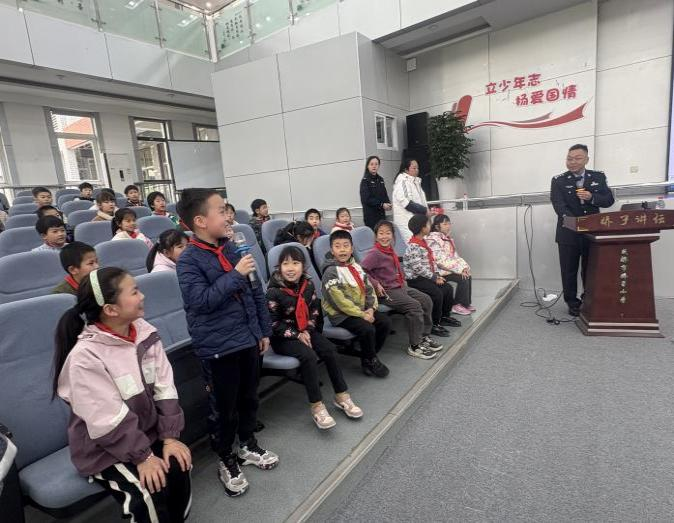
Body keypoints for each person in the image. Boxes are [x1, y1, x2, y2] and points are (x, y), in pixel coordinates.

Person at [53, 267, 192, 522]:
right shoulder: (86, 357)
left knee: (178, 465)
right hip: (104, 447)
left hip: (144, 432)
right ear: (111, 309)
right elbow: (107, 421)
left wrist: (170, 437)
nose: (142, 296)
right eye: (134, 292)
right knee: (148, 491)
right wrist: (143, 456)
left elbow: (165, 387)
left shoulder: (144, 333)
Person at [177, 188, 278, 498]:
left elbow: (255, 292)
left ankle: (247, 445)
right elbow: (201, 301)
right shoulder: (188, 259)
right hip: (219, 347)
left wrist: (263, 331)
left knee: (249, 399)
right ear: (200, 221)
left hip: (248, 338)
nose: (228, 216)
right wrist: (235, 274)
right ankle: (225, 457)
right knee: (224, 409)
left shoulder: (233, 247)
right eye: (221, 211)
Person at [266, 245, 362, 429]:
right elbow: (274, 324)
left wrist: (307, 330)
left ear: (303, 266)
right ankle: (317, 406)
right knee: (308, 356)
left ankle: (341, 395)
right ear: (279, 267)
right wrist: (297, 334)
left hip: (306, 330)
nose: (290, 268)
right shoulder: (273, 292)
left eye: (295, 263)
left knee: (330, 350)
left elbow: (314, 311)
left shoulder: (308, 285)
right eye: (286, 264)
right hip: (283, 337)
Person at [361, 220, 446, 360]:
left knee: (426, 300)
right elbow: (361, 271)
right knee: (415, 306)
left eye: (388, 233)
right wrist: (375, 284)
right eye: (381, 233)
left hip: (399, 286)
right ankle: (415, 345)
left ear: (393, 236)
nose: (384, 236)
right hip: (386, 291)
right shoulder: (375, 253)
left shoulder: (389, 250)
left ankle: (424, 337)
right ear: (376, 236)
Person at [550, 144, 614, 316]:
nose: (572, 162)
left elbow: (609, 200)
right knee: (568, 270)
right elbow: (559, 205)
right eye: (569, 158)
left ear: (586, 159)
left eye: (577, 158)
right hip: (568, 233)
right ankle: (572, 303)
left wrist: (592, 197)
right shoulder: (558, 180)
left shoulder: (598, 177)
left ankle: (589, 299)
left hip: (592, 233)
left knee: (590, 268)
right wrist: (576, 223)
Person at [322, 230, 391, 378]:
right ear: (332, 250)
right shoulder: (331, 271)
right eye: (337, 246)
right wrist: (362, 315)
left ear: (352, 248)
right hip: (340, 314)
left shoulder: (356, 266)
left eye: (346, 245)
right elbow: (339, 302)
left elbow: (369, 289)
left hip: (360, 310)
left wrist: (371, 308)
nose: (342, 250)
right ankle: (371, 359)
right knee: (367, 329)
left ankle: (368, 357)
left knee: (384, 322)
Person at [403, 214, 461, 331]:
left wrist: (437, 275)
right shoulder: (413, 246)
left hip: (426, 277)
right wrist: (434, 278)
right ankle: (434, 323)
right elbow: (418, 268)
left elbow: (432, 261)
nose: (430, 226)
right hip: (416, 280)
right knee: (437, 294)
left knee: (448, 289)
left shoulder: (423, 242)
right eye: (428, 224)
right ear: (423, 228)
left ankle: (444, 316)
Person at [426, 214, 475, 315]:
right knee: (462, 278)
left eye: (449, 223)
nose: (448, 226)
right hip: (438, 272)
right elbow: (440, 261)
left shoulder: (447, 239)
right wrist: (459, 270)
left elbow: (455, 257)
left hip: (447, 269)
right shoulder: (432, 240)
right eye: (445, 224)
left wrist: (464, 268)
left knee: (467, 275)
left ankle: (465, 303)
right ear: (437, 226)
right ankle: (457, 305)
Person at [392, 158, 428, 242]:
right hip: (407, 223)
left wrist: (427, 212)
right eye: (414, 168)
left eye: (417, 168)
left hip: (417, 223)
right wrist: (425, 211)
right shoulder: (402, 182)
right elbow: (407, 203)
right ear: (406, 169)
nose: (417, 170)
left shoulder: (415, 182)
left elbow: (421, 202)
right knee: (414, 245)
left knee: (422, 245)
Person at [359, 156, 391, 230]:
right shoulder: (365, 181)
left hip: (381, 215)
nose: (374, 166)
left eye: (376, 164)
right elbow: (366, 199)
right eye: (372, 164)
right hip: (371, 217)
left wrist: (388, 203)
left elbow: (384, 194)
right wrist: (381, 204)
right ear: (368, 166)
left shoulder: (381, 179)